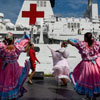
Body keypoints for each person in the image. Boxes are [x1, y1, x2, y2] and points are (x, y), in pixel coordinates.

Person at [67, 32, 100, 100]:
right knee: (93, 81)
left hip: (86, 65)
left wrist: (69, 40)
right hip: (93, 65)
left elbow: (73, 43)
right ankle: (92, 96)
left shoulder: (82, 44)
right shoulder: (96, 44)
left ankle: (88, 96)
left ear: (85, 38)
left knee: (86, 80)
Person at [0, 32, 30, 100]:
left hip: (5, 68)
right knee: (14, 83)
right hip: (14, 68)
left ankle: (6, 96)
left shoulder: (2, 48)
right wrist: (28, 43)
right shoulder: (16, 47)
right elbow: (25, 50)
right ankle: (13, 96)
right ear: (13, 40)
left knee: (5, 83)